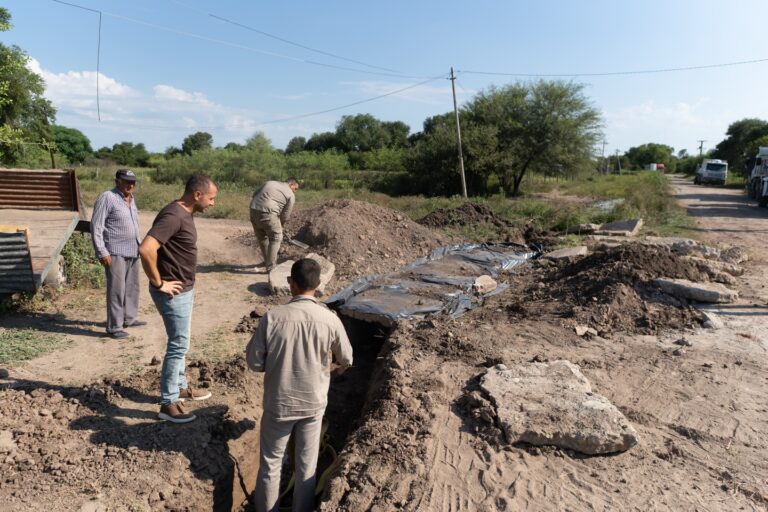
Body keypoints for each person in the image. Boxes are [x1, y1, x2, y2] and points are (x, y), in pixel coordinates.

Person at [246, 258, 353, 512]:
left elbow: (254, 362)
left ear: (291, 283)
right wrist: (331, 367)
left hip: (279, 405)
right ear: (318, 285)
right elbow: (347, 358)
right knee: (307, 466)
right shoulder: (329, 319)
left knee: (271, 465)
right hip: (312, 405)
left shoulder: (272, 318)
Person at [138, 174, 217, 424]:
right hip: (173, 293)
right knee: (178, 345)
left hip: (183, 290)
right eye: (211, 198)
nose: (213, 203)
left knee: (181, 342)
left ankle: (180, 387)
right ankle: (168, 402)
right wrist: (158, 282)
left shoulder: (184, 212)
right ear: (197, 194)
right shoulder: (173, 215)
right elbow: (146, 249)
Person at [90, 169, 144, 339]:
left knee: (132, 287)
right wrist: (101, 251)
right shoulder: (108, 197)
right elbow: (96, 226)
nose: (131, 185)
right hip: (114, 252)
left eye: (133, 182)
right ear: (117, 181)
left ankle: (129, 318)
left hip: (133, 250)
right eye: (127, 181)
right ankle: (114, 327)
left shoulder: (131, 199)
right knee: (116, 290)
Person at [249, 178, 299, 272]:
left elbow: (254, 194)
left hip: (253, 210)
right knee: (276, 238)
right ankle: (271, 267)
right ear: (291, 184)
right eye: (295, 188)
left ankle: (267, 261)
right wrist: (281, 225)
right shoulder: (290, 194)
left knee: (262, 237)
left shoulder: (269, 183)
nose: (295, 191)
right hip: (268, 212)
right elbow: (285, 215)